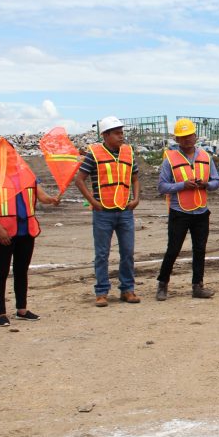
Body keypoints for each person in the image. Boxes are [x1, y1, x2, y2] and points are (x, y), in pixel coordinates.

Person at [0, 151, 60, 326]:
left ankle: (21, 309)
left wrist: (52, 199)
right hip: (3, 231)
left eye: (12, 154)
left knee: (21, 271)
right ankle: (0, 313)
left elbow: (41, 196)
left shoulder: (27, 174)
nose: (12, 157)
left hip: (26, 230)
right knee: (1, 272)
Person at [74, 116, 141, 307]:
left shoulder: (128, 153)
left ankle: (127, 289)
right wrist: (93, 202)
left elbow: (135, 178)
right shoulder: (93, 154)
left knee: (127, 252)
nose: (121, 137)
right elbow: (80, 180)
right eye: (117, 133)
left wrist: (136, 199)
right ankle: (101, 292)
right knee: (102, 254)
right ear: (106, 135)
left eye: (122, 133)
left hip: (125, 210)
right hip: (103, 212)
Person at [155, 119, 219, 301]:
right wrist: (183, 185)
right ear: (177, 138)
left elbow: (216, 182)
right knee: (173, 249)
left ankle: (197, 286)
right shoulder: (170, 159)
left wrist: (206, 184)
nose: (187, 140)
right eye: (183, 137)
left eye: (189, 136)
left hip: (201, 211)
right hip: (179, 212)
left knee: (200, 250)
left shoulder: (206, 157)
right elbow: (162, 187)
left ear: (195, 136)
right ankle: (162, 284)